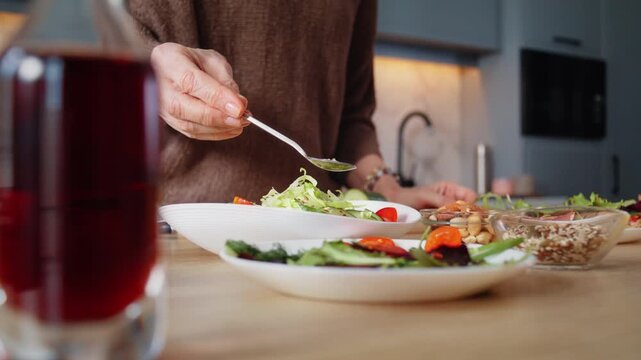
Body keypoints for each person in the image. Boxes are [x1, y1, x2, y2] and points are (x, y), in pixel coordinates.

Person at [128, 0, 476, 209]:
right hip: (180, 230)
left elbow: (352, 119)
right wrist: (147, 68)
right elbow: (109, 41)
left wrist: (390, 190)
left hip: (313, 230)